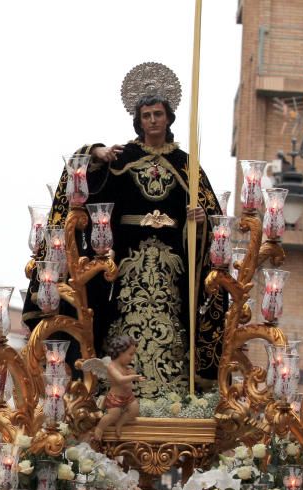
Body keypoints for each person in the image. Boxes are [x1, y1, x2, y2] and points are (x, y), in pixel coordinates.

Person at [25, 64, 225, 399]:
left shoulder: (186, 166)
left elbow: (216, 223)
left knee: (172, 321)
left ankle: (172, 392)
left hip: (171, 266)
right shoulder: (122, 157)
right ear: (138, 120)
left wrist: (201, 220)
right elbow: (79, 178)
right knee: (121, 318)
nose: (152, 121)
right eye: (146, 115)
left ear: (169, 117)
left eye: (158, 114)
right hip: (127, 262)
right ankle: (116, 385)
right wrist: (96, 152)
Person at [92, 336, 143, 441]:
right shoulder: (112, 367)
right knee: (113, 416)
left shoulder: (125, 366)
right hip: (115, 398)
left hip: (128, 396)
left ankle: (120, 423)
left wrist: (132, 373)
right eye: (130, 354)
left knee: (134, 411)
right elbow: (120, 379)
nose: (132, 358)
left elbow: (128, 374)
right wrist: (133, 377)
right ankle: (100, 428)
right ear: (120, 352)